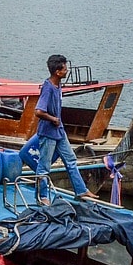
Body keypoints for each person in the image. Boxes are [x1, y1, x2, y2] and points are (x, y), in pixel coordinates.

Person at [34, 54, 91, 200]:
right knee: (44, 166)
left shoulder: (58, 85)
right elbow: (38, 111)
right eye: (65, 69)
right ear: (57, 72)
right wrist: (53, 119)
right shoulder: (48, 88)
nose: (67, 71)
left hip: (59, 131)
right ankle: (42, 196)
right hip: (48, 133)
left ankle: (81, 190)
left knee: (70, 159)